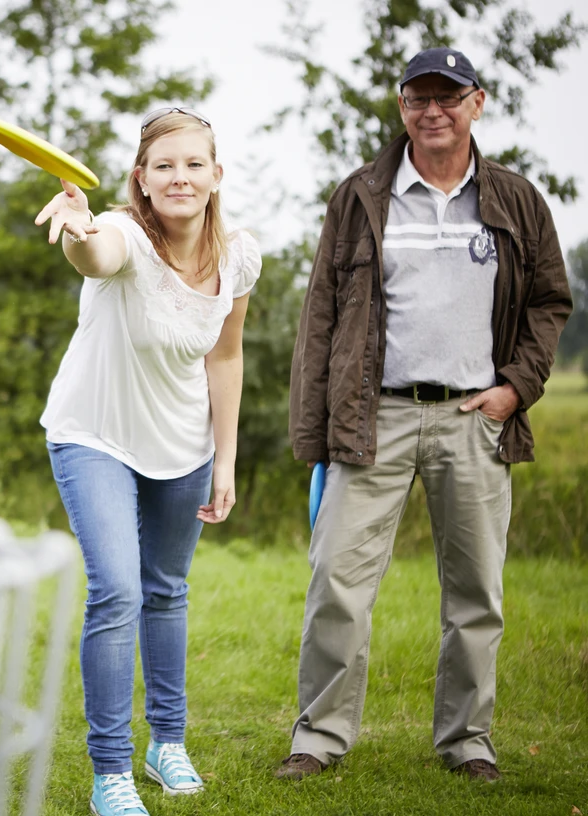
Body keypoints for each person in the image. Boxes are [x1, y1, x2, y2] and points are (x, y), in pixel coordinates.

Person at [281, 48, 571, 783]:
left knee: (476, 593)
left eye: (448, 97)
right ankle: (318, 737)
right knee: (336, 580)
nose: (433, 111)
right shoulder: (359, 196)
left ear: (477, 102)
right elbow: (321, 315)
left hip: (474, 418)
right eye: (419, 98)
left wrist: (516, 388)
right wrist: (314, 433)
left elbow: (549, 302)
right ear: (402, 105)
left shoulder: (517, 200)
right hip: (370, 419)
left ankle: (468, 742)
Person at [34, 108, 261, 815]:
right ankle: (111, 771)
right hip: (95, 434)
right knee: (117, 592)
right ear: (141, 178)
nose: (179, 177)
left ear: (216, 175)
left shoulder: (238, 257)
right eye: (164, 166)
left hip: (183, 444)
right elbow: (95, 257)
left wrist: (225, 461)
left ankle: (167, 743)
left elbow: (225, 357)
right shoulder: (124, 234)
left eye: (193, 164)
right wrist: (79, 227)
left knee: (166, 590)